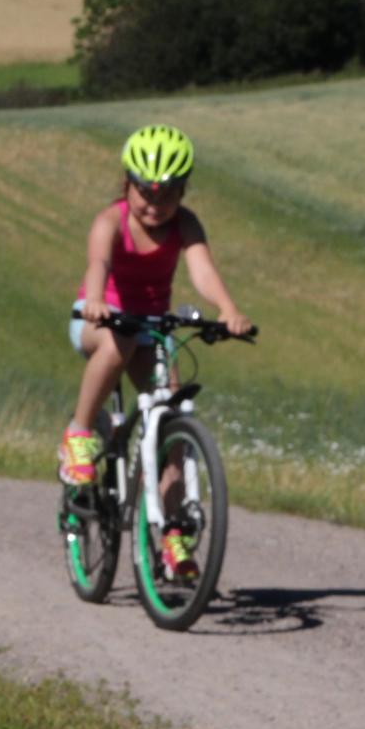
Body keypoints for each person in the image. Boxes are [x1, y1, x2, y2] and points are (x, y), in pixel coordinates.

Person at [60, 124, 252, 578]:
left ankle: (171, 534)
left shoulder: (185, 225)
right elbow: (98, 262)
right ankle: (79, 436)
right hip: (99, 320)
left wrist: (227, 309)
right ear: (127, 183)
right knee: (120, 343)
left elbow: (202, 271)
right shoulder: (110, 221)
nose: (154, 203)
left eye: (167, 194)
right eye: (145, 191)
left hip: (150, 327)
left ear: (183, 192)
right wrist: (95, 301)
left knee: (174, 414)